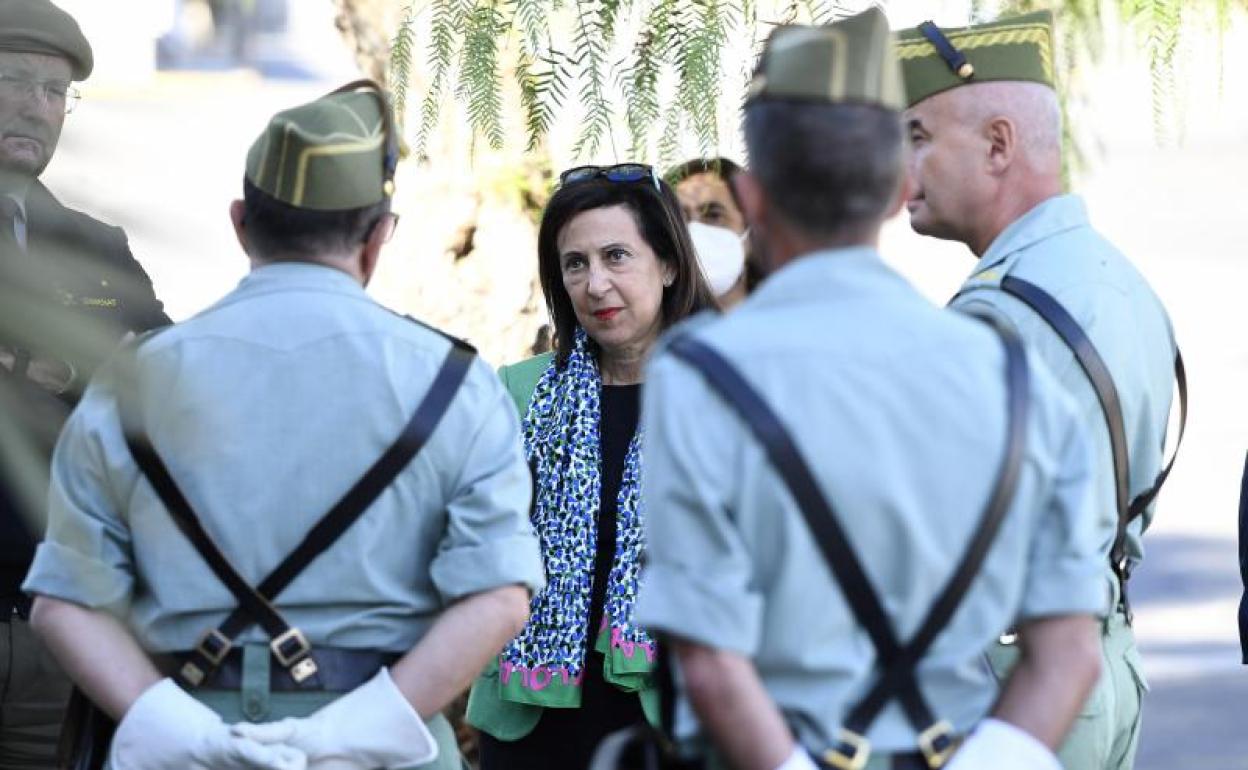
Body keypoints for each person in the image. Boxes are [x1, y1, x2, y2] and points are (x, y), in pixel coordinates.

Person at [635, 9, 1109, 770]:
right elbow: (1070, 653)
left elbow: (712, 667)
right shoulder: (1011, 374)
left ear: (753, 199)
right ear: (896, 186)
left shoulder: (698, 375)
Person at [23, 81, 545, 769]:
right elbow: (500, 599)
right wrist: (346, 732)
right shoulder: (455, 384)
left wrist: (182, 729)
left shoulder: (129, 379)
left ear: (241, 222)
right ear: (379, 236)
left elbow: (63, 605)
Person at [899, 13, 1183, 769]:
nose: (902, 168)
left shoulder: (999, 313)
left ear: (998, 144)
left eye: (919, 136)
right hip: (1104, 662)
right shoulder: (1113, 276)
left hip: (1009, 687)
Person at [466, 163, 716, 770]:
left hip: (673, 720)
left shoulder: (724, 396)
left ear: (669, 264)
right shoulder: (518, 393)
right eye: (574, 264)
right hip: (532, 724)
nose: (595, 284)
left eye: (616, 256)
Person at [0, 1, 169, 765]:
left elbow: (168, 382)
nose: (36, 105)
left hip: (50, 631)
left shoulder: (96, 247)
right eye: (13, 81)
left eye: (53, 91)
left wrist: (65, 369)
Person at [667, 158, 754, 309]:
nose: (694, 231)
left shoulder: (791, 318)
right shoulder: (661, 330)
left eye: (713, 216)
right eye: (681, 219)